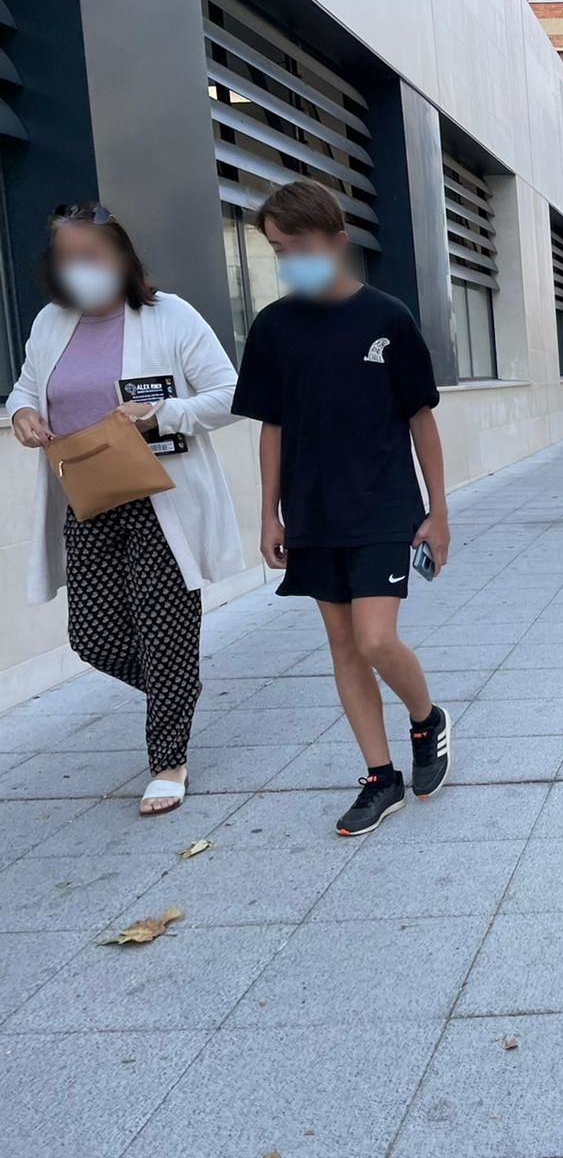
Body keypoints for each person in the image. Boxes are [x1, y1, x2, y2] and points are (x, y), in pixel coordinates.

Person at [231, 180, 453, 837]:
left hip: (384, 505)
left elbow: (421, 419)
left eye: (297, 246)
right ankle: (379, 777)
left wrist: (438, 513)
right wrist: (269, 514)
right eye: (276, 249)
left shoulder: (387, 318)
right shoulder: (272, 328)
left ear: (336, 241)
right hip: (312, 511)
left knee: (375, 638)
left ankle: (426, 719)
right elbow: (271, 427)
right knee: (342, 645)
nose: (287, 259)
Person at [6, 203, 242, 816]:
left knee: (163, 626)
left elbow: (231, 394)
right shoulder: (51, 323)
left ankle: (168, 758)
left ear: (121, 257)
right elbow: (28, 388)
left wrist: (164, 413)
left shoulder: (171, 317)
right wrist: (22, 413)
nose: (79, 268)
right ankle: (176, 685)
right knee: (93, 636)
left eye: (92, 256)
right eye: (67, 258)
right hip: (86, 496)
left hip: (161, 497)